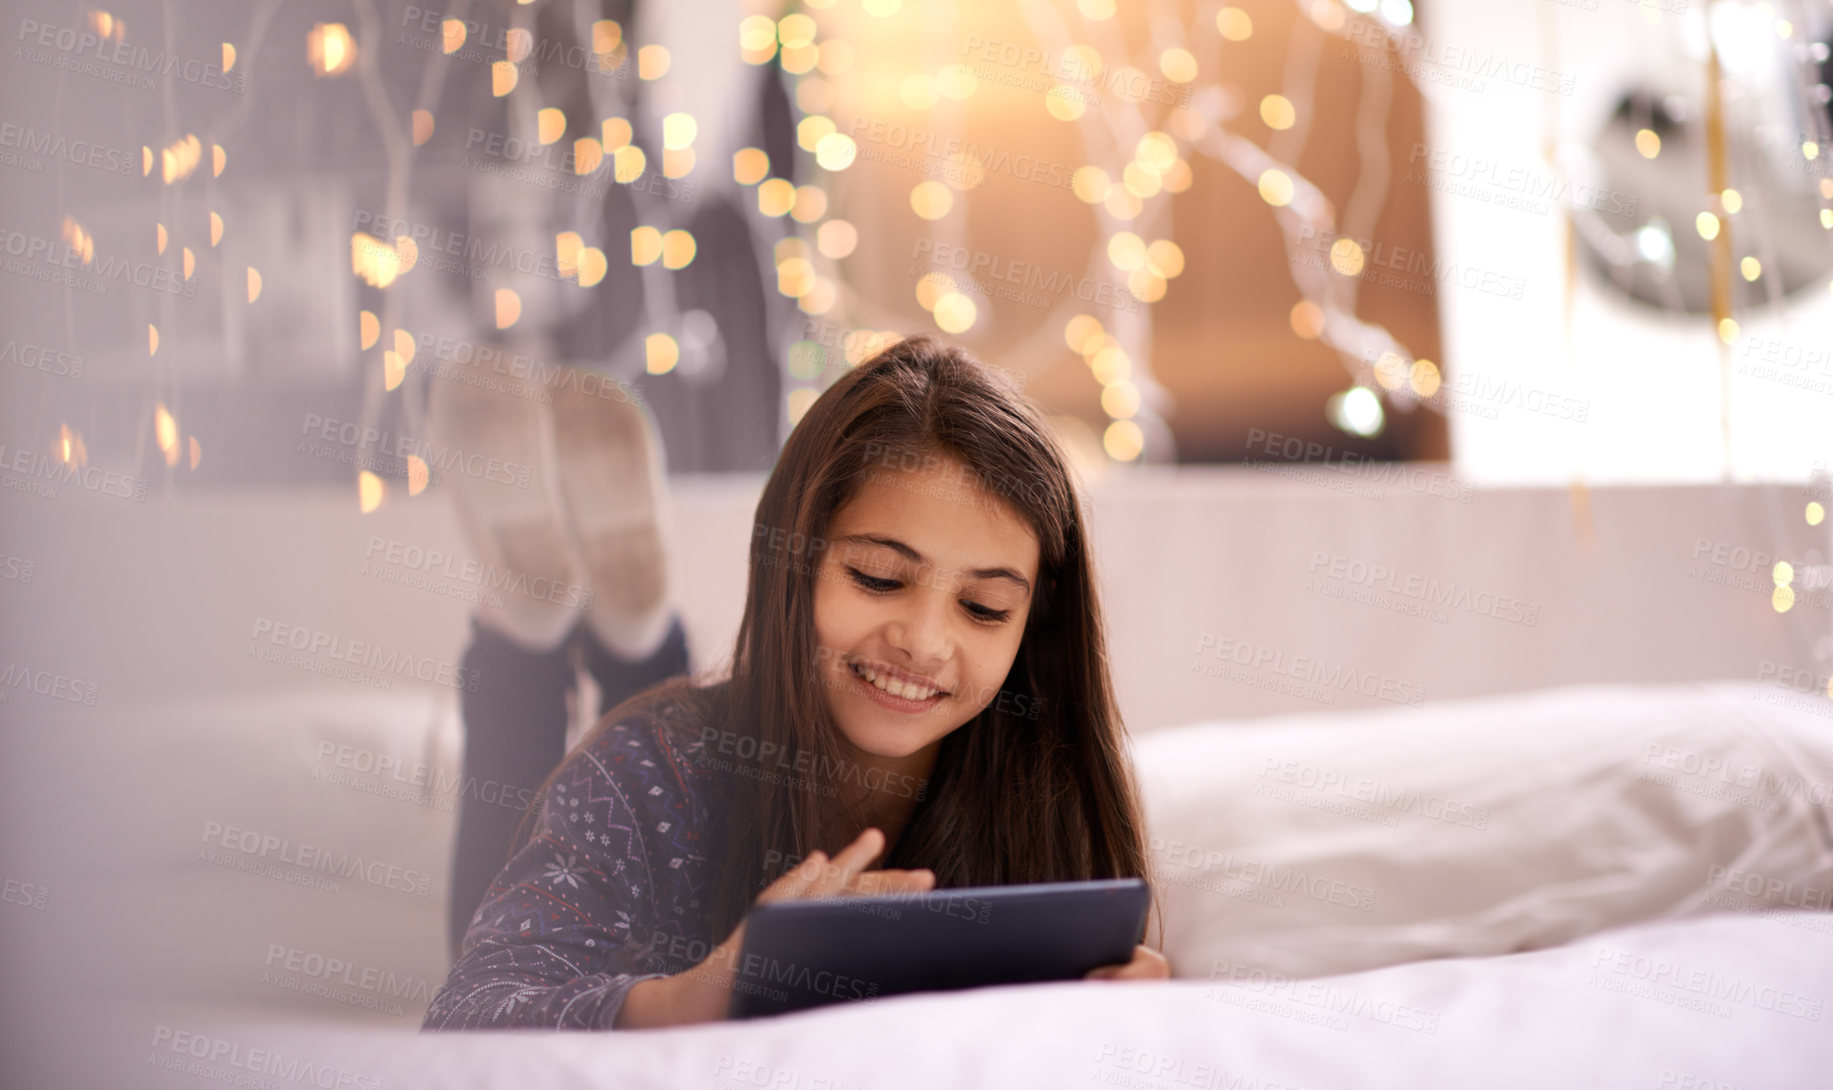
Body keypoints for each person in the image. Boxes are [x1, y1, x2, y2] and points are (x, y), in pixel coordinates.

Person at [422, 335, 1169, 1032]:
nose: (924, 642)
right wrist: (700, 993)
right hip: (665, 768)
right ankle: (561, 633)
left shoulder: (1051, 791)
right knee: (546, 812)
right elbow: (473, 1006)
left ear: (1030, 627)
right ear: (793, 558)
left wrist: (1120, 1013)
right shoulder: (641, 767)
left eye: (983, 607)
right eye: (877, 578)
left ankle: (625, 627)